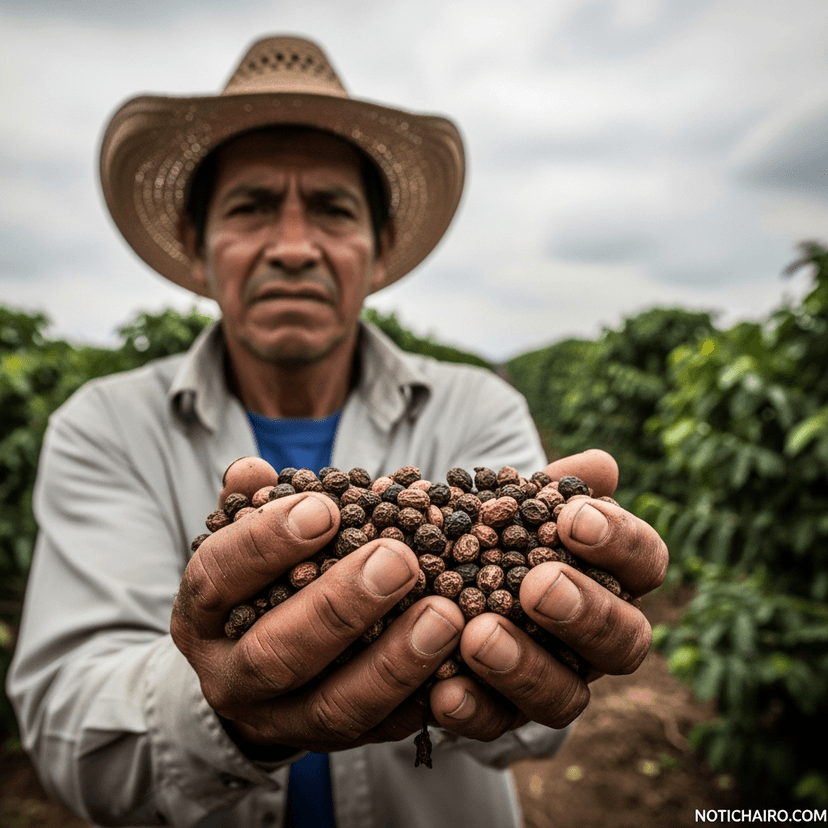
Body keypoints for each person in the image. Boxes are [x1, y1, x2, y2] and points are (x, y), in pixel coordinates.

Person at [7, 35, 668, 828]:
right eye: (251, 207)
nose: (293, 247)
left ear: (380, 246)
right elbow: (68, 733)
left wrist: (544, 649)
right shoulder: (103, 426)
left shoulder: (478, 406)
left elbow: (525, 719)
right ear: (196, 240)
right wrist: (228, 708)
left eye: (332, 208)